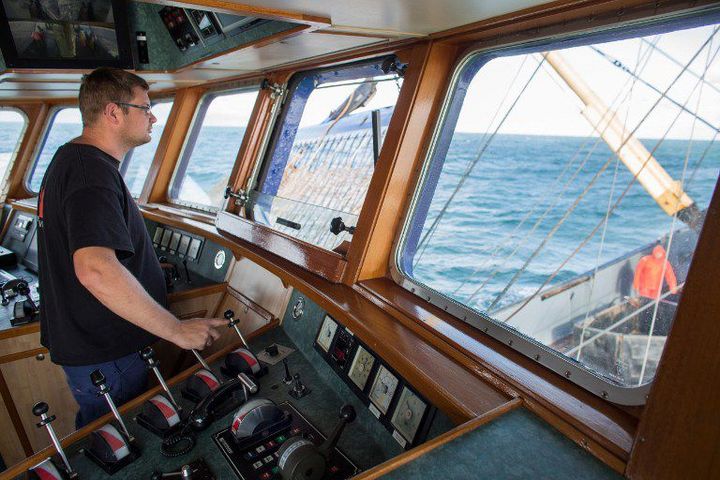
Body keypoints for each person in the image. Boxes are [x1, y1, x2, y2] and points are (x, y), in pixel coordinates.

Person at [37, 68, 227, 428]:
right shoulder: (91, 174)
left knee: (107, 439)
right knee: (120, 442)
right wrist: (175, 330)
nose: (153, 116)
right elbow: (94, 268)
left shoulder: (71, 159)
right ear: (113, 112)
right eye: (145, 107)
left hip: (92, 348)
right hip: (107, 354)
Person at [631, 244, 679, 335]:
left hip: (656, 289)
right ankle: (642, 326)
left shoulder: (665, 263)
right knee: (644, 307)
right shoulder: (645, 260)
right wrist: (636, 286)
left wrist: (673, 287)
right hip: (644, 288)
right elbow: (638, 273)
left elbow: (670, 276)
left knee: (654, 307)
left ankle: (651, 326)